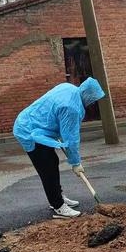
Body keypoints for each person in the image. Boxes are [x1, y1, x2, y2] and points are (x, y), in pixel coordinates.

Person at [13, 77, 105, 218]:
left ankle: (57, 196)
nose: (93, 102)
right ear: (88, 95)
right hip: (29, 131)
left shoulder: (69, 87)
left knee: (52, 161)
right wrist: (76, 163)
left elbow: (57, 115)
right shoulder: (71, 108)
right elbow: (71, 140)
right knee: (47, 167)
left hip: (36, 125)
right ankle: (58, 206)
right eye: (93, 99)